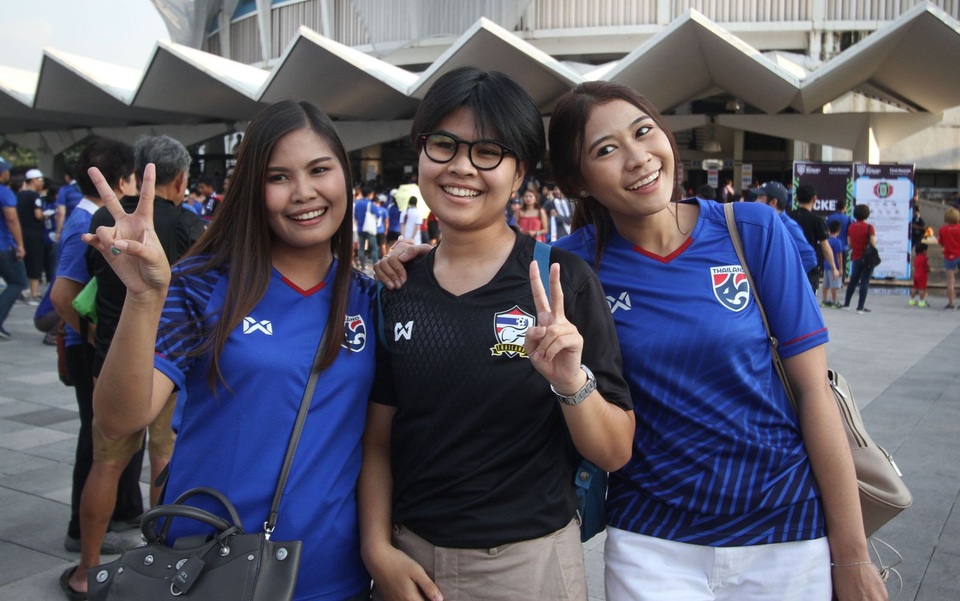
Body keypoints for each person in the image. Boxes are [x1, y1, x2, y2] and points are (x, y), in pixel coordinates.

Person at [545, 81, 884, 600]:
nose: (637, 158)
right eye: (606, 150)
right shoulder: (568, 267)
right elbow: (482, 275)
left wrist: (852, 555)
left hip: (785, 534)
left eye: (643, 132)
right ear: (578, 181)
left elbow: (816, 393)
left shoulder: (753, 230)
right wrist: (410, 264)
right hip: (651, 544)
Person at [81, 100, 374, 601]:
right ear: (252, 191)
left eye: (320, 170)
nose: (304, 193)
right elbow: (118, 419)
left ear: (345, 176)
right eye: (278, 177)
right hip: (210, 571)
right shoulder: (203, 285)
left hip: (336, 579)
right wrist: (144, 296)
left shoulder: (371, 298)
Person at [360, 67, 635, 601]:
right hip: (411, 565)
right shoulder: (396, 288)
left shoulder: (563, 283)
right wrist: (377, 551)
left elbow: (614, 451)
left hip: (531, 567)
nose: (461, 166)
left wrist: (570, 381)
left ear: (519, 173)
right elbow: (377, 441)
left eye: (488, 151)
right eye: (443, 144)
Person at [64, 135, 207, 596]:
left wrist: (87, 335)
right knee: (163, 462)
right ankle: (161, 568)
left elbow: (67, 294)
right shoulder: (191, 225)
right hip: (169, 365)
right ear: (181, 178)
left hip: (111, 356)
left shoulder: (107, 219)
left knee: (105, 465)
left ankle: (86, 571)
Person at [50, 139, 145, 576]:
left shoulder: (98, 218)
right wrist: (88, 336)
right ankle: (80, 527)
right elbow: (62, 294)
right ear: (122, 179)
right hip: (89, 348)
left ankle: (123, 512)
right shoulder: (86, 223)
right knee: (97, 442)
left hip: (101, 343)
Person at [755, 181, 818, 274]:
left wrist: (786, 278)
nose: (756, 201)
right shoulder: (766, 224)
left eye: (760, 197)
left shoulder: (788, 226)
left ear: (773, 202)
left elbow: (809, 258)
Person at [791, 184, 838, 293]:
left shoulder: (788, 217)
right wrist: (833, 267)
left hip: (789, 265)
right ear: (814, 199)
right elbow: (825, 248)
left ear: (796, 198)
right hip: (808, 268)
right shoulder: (817, 220)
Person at [0, 157, 28, 339]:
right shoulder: (4, 192)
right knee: (18, 282)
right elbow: (11, 219)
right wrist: (20, 245)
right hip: (4, 245)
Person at [16, 168, 47, 304]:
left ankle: (24, 291)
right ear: (34, 180)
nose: (42, 183)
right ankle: (34, 293)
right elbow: (38, 214)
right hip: (34, 233)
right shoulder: (35, 196)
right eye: (40, 180)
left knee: (24, 261)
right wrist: (46, 215)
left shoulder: (19, 195)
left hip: (21, 232)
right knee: (35, 260)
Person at [841, 203, 878, 314]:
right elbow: (872, 242)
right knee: (865, 282)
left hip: (856, 257)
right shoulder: (869, 227)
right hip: (867, 259)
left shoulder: (851, 227)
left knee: (853, 281)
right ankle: (860, 307)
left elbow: (849, 243)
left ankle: (846, 304)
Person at [939, 207, 960, 309]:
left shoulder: (943, 230)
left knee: (950, 281)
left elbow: (941, 243)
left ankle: (951, 303)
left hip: (949, 256)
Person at [826, 198, 852, 279]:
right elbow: (849, 233)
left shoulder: (830, 217)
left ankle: (830, 277)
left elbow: (826, 230)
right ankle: (841, 279)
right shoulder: (847, 219)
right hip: (843, 244)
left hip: (830, 243)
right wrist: (849, 244)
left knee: (830, 260)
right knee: (841, 262)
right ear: (844, 207)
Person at [822, 220, 844, 307]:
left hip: (826, 264)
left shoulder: (826, 240)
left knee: (825, 284)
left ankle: (824, 300)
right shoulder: (837, 242)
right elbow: (839, 256)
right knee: (834, 285)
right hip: (834, 266)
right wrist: (841, 267)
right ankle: (835, 302)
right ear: (838, 231)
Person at [908, 242, 930, 308]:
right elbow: (925, 267)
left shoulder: (916, 258)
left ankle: (912, 300)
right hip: (922, 275)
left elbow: (915, 265)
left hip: (916, 274)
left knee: (915, 287)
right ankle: (921, 301)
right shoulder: (924, 258)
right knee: (922, 289)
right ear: (924, 251)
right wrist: (928, 270)